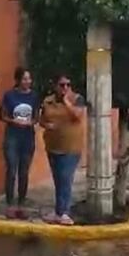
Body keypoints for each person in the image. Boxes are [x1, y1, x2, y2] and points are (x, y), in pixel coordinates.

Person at [40, 74, 87, 225]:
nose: (65, 88)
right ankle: (58, 211)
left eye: (68, 84)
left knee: (66, 179)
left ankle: (65, 212)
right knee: (58, 180)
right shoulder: (48, 101)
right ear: (55, 86)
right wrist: (46, 125)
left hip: (71, 148)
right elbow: (41, 119)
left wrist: (66, 101)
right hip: (53, 146)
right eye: (61, 85)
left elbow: (77, 116)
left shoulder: (77, 99)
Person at [0, 67, 41, 219]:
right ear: (18, 80)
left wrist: (31, 122)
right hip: (12, 136)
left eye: (29, 79)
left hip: (28, 137)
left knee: (24, 172)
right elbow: (2, 115)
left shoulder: (34, 96)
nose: (27, 82)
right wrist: (13, 121)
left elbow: (37, 116)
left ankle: (21, 204)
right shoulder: (9, 95)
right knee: (11, 170)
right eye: (24, 79)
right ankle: (10, 204)